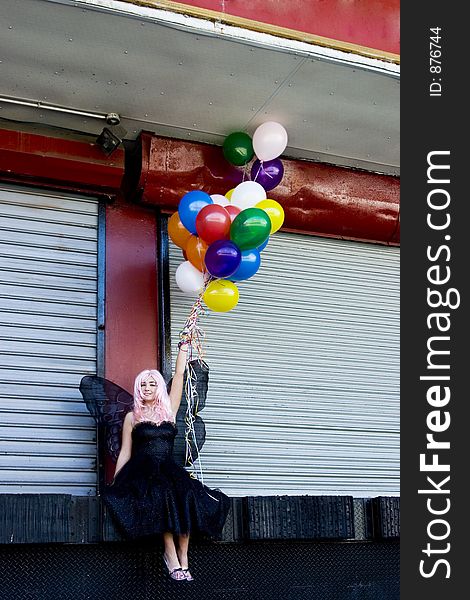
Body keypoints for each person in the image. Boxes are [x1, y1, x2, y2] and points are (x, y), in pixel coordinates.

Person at [104, 343, 230, 582]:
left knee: (187, 494)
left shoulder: (169, 411)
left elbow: (180, 375)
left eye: (152, 383)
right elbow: (125, 452)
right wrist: (115, 481)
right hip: (142, 470)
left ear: (159, 387)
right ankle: (170, 555)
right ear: (138, 389)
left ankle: (184, 556)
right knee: (161, 494)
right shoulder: (133, 416)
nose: (147, 387)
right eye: (143, 384)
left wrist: (183, 348)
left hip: (168, 467)